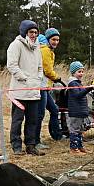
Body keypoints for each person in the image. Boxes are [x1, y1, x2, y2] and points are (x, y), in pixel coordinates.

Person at [6, 19, 45, 156]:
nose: (34, 34)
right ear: (25, 32)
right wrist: (24, 78)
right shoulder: (16, 45)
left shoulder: (37, 46)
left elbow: (40, 66)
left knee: (32, 120)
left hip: (34, 90)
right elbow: (12, 65)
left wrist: (38, 78)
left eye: (35, 32)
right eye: (31, 32)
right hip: (20, 91)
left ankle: (31, 146)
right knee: (17, 120)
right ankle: (16, 146)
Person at [39, 28, 65, 142]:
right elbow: (48, 70)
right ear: (48, 39)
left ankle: (57, 135)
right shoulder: (45, 50)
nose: (56, 42)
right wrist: (57, 78)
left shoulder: (50, 51)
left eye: (57, 40)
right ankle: (36, 140)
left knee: (54, 110)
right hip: (41, 86)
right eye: (53, 39)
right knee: (40, 114)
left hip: (46, 86)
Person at [66, 61, 94, 156]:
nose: (81, 73)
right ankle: (74, 149)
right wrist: (88, 88)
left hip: (81, 111)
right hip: (75, 111)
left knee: (80, 130)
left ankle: (80, 147)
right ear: (73, 73)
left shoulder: (78, 83)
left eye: (82, 71)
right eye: (79, 71)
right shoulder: (73, 83)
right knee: (75, 130)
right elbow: (78, 95)